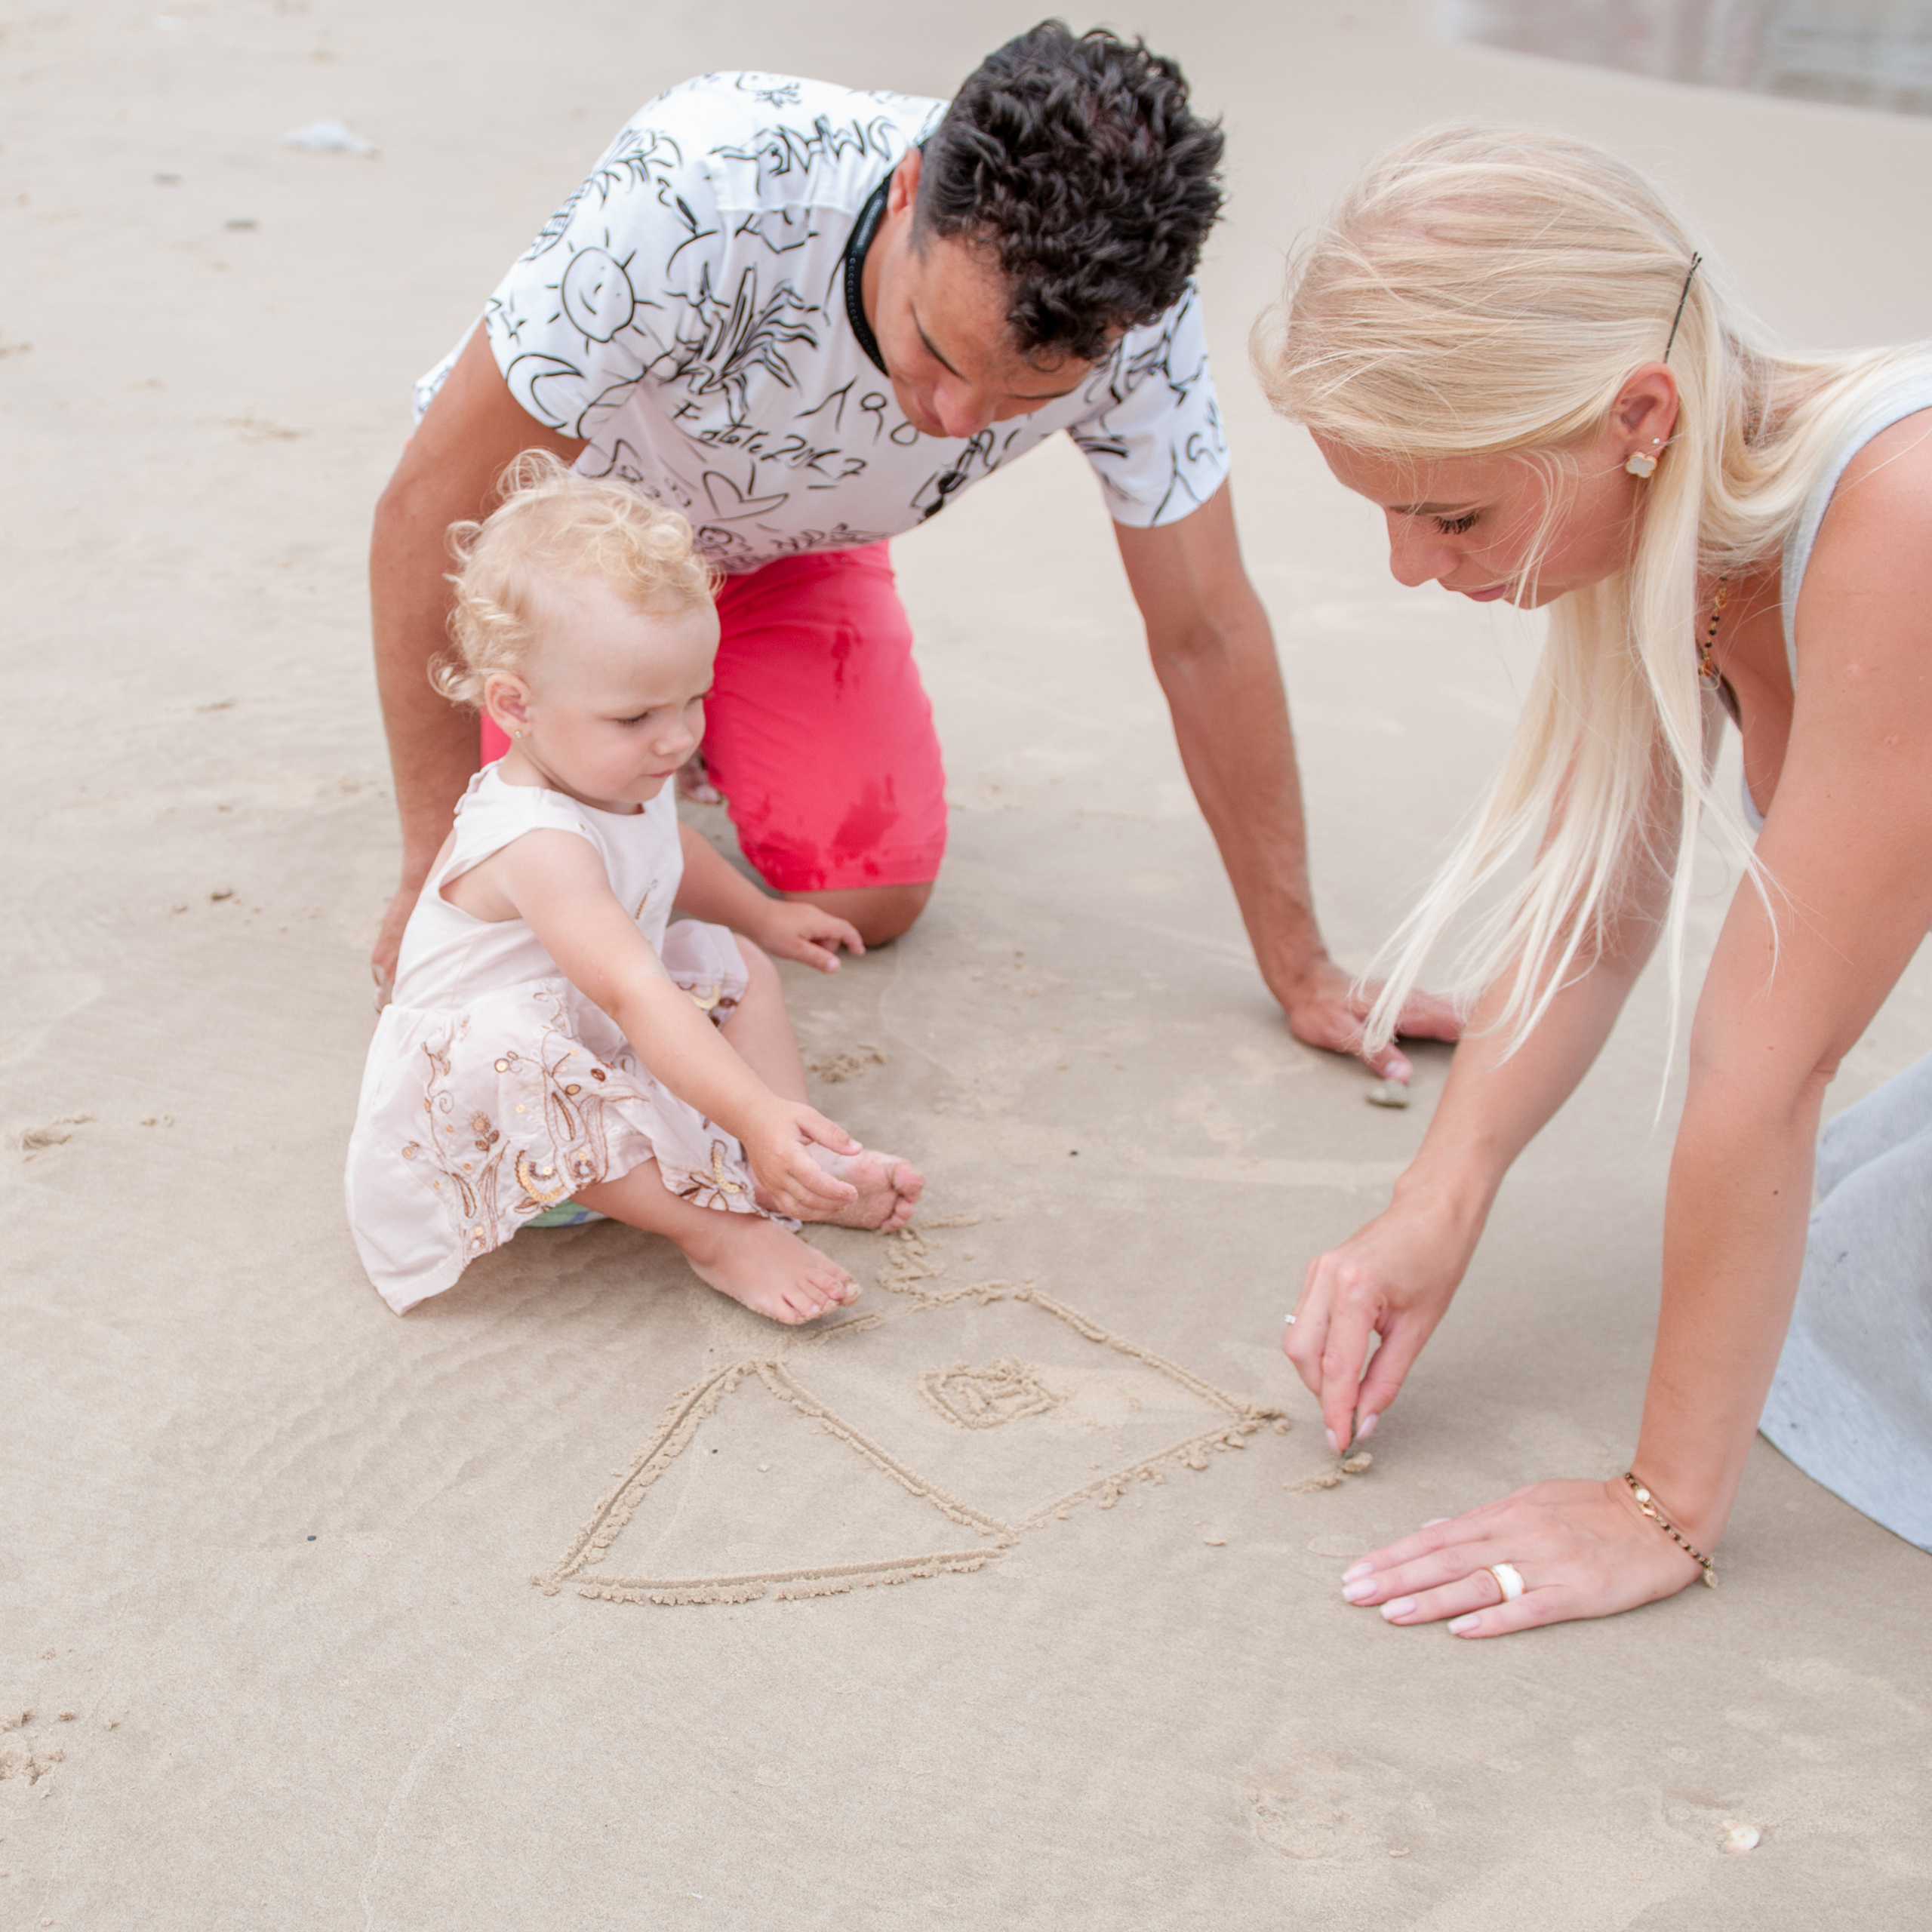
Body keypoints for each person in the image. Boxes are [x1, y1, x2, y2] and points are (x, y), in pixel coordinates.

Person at [370, 21, 1457, 1077]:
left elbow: (1205, 629)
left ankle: (690, 718)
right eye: (936, 351)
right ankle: (627, 729)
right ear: (907, 190)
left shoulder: (1140, 328)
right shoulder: (706, 180)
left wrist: (1302, 965)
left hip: (788, 543)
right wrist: (431, 855)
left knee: (867, 892)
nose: (951, 417)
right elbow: (430, 508)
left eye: (1021, 401)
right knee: (535, 889)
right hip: (568, 555)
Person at [1253, 123, 1932, 1635]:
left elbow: (1764, 1062)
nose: (1408, 569)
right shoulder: (1674, 512)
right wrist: (1435, 1198)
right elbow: (1593, 903)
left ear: (1636, 412)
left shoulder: (1899, 511)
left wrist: (1658, 1504)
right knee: (1800, 1260)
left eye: (1450, 514)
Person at [347, 455, 925, 1323]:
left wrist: (764, 919)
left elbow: (671, 848)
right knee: (528, 1044)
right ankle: (714, 1230)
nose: (675, 741)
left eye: (692, 700)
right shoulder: (535, 836)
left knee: (726, 958)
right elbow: (631, 985)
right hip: (506, 1122)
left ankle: (798, 1158)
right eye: (635, 717)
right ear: (515, 704)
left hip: (595, 1038)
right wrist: (742, 1103)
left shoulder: (610, 776)